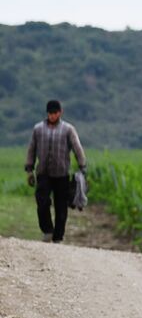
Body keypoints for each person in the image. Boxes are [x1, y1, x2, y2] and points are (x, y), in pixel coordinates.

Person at [24, 99, 86, 244]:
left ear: (60, 113)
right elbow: (31, 149)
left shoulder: (68, 129)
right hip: (43, 173)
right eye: (50, 113)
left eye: (55, 113)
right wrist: (29, 169)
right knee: (42, 202)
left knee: (61, 207)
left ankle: (58, 237)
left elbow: (77, 148)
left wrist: (83, 166)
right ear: (47, 113)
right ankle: (47, 230)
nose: (52, 116)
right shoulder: (38, 129)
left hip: (62, 174)